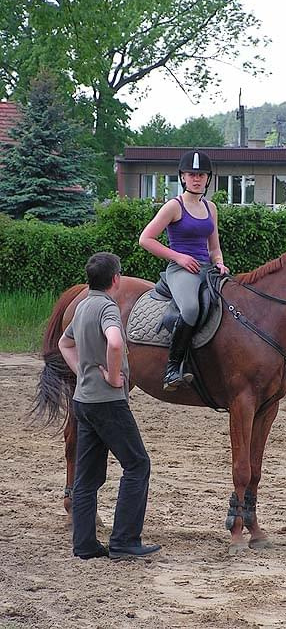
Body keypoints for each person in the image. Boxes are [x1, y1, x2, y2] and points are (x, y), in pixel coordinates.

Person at [58, 252, 161, 561]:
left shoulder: (83, 305)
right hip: (107, 402)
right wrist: (114, 377)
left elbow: (65, 343)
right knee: (137, 465)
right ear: (116, 279)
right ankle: (124, 541)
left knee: (86, 479)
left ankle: (85, 545)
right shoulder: (107, 308)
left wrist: (83, 372)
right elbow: (115, 342)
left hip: (84, 401)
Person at [139, 149, 229, 391]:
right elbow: (145, 239)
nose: (197, 179)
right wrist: (178, 257)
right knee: (190, 309)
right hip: (181, 271)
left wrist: (219, 262)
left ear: (208, 178)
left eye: (201, 175)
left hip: (207, 269)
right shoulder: (173, 206)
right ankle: (172, 368)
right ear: (182, 177)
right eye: (192, 174)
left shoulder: (211, 208)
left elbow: (214, 247)